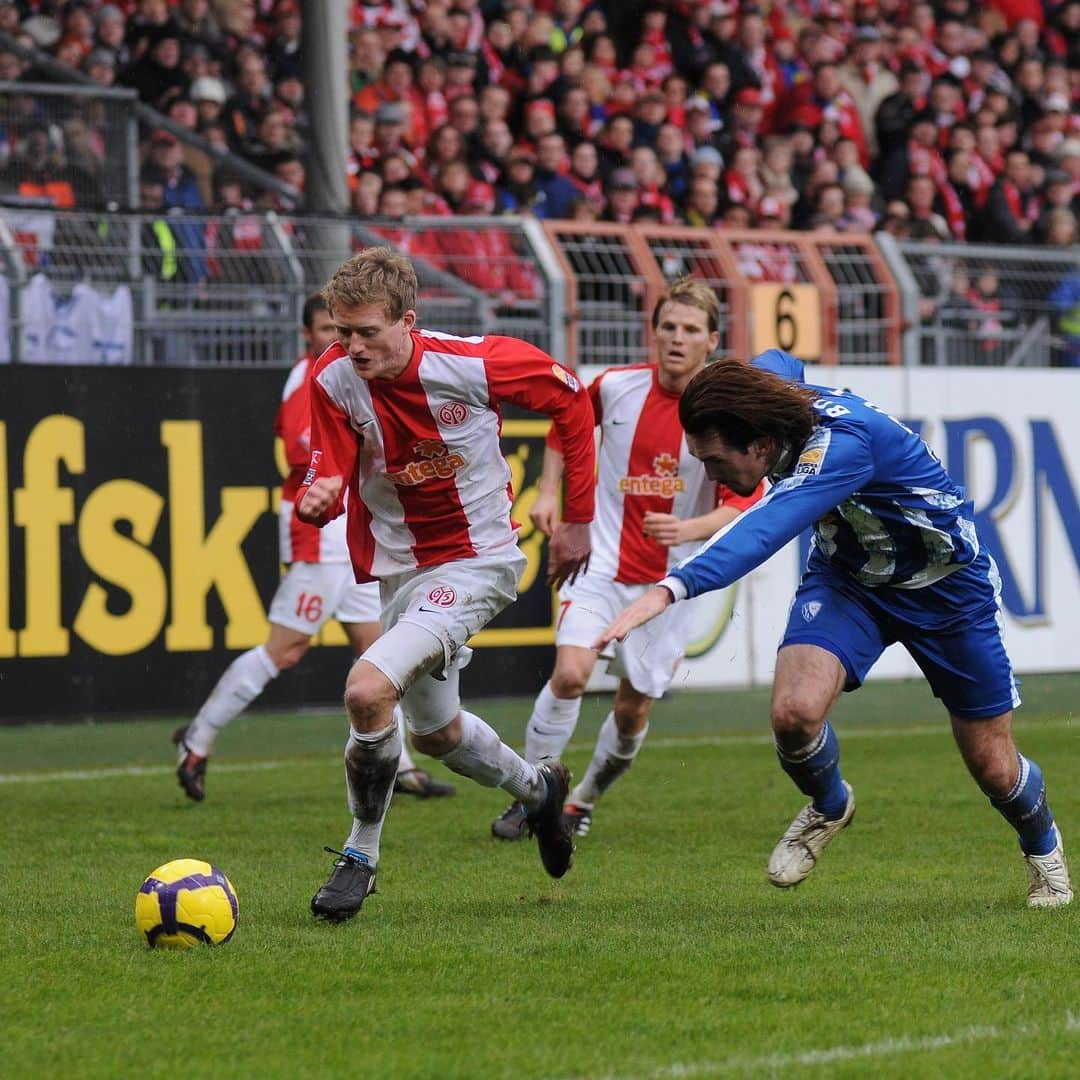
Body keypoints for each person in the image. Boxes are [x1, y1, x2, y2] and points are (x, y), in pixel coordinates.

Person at [595, 359, 1073, 910]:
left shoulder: (845, 445)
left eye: (713, 460)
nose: (708, 475)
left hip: (946, 590)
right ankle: (830, 802)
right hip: (849, 580)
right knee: (792, 714)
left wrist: (668, 589)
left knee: (992, 763)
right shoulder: (772, 400)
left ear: (757, 442)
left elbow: (765, 526)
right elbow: (775, 359)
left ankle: (1045, 854)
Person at [296, 248, 596, 922]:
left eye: (368, 331)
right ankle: (538, 791)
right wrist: (324, 486)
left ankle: (359, 856)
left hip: (478, 560)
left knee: (367, 690)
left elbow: (571, 399)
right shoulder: (334, 377)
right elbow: (334, 457)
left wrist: (576, 517)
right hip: (401, 569)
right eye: (343, 332)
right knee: (435, 734)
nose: (353, 346)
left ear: (408, 321)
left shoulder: (473, 362)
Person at [490, 277, 762, 841]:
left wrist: (689, 527)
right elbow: (567, 429)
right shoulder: (614, 387)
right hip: (601, 563)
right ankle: (530, 795)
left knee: (633, 709)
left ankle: (582, 798)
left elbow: (745, 501)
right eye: (668, 327)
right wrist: (547, 494)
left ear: (712, 340)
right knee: (570, 674)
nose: (676, 339)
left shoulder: (726, 415)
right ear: (653, 331)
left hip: (669, 582)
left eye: (690, 330)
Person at [173, 294, 456, 803]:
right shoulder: (312, 378)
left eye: (343, 328)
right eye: (328, 328)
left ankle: (404, 768)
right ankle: (197, 739)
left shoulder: (349, 373)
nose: (339, 339)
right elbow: (306, 453)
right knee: (286, 648)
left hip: (349, 533)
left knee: (382, 655)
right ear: (308, 333)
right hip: (319, 531)